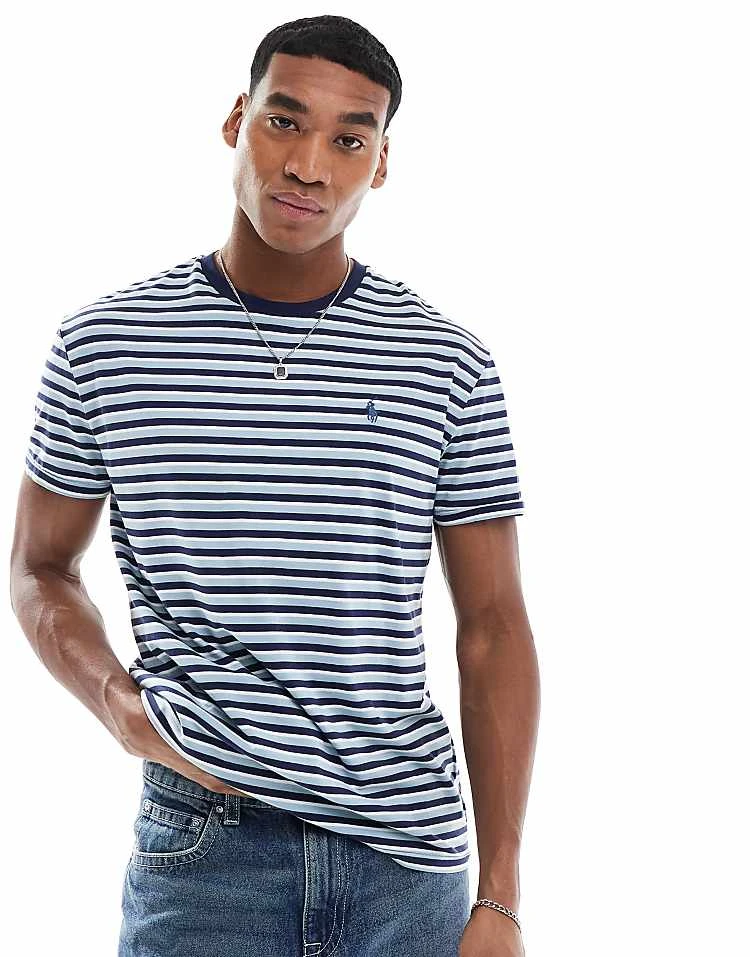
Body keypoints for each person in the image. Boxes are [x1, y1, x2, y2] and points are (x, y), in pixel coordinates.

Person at [10, 14, 539, 957]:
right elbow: (39, 566)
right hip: (205, 853)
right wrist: (118, 705)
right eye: (284, 122)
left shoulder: (445, 362)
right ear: (235, 121)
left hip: (407, 864)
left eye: (349, 139)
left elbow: (493, 624)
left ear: (381, 163)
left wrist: (499, 896)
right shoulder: (107, 346)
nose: (307, 166)